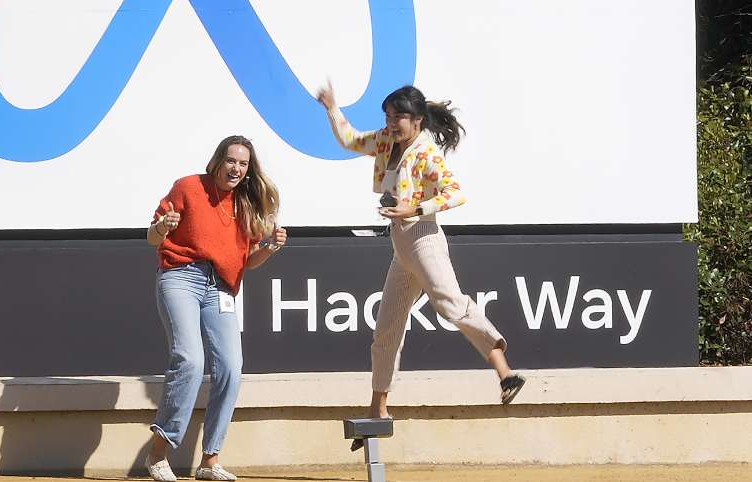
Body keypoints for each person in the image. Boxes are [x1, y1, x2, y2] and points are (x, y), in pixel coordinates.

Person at [315, 83, 525, 447]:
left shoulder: (427, 153)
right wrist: (332, 107)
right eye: (388, 116)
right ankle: (378, 410)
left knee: (450, 302)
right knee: (387, 328)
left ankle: (505, 372)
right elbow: (350, 140)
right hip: (402, 246)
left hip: (424, 238)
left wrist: (414, 208)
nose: (391, 123)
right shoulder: (385, 140)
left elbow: (455, 193)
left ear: (417, 120)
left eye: (399, 117)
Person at [144, 135, 288, 482]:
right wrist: (163, 227)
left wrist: (269, 247)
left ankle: (210, 461)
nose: (236, 168)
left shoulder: (246, 204)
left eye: (243, 164)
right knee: (190, 360)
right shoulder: (188, 187)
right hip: (181, 276)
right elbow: (152, 238)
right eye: (231, 161)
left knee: (230, 368)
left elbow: (248, 262)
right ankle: (158, 453)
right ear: (218, 161)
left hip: (220, 287)